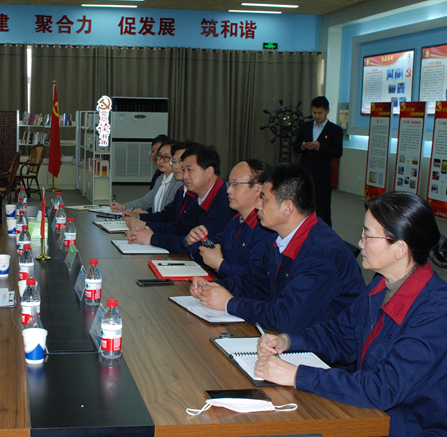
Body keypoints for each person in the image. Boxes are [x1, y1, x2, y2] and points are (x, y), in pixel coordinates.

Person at [255, 192, 447, 437]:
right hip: (370, 412)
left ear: (400, 248)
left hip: (408, 426)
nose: (360, 242)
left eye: (368, 235)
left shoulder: (436, 311)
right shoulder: (381, 284)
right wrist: (288, 341)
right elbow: (339, 335)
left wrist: (297, 375)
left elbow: (384, 388)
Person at [190, 163, 364, 332]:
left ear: (287, 208)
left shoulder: (320, 253)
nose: (258, 206)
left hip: (323, 345)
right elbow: (256, 281)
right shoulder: (279, 236)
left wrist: (229, 303)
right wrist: (213, 287)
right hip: (294, 334)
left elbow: (286, 317)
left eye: (264, 199)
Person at [127, 143, 234, 253]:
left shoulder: (225, 203)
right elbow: (181, 229)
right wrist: (147, 230)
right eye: (184, 169)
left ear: (209, 172)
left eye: (189, 170)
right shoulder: (199, 197)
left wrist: (152, 238)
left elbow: (199, 245)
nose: (185, 176)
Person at [183, 159, 275, 278]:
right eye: (229, 184)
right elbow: (210, 255)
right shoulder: (236, 221)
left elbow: (256, 281)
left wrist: (220, 265)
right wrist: (192, 241)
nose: (228, 190)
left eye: (235, 184)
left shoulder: (265, 229)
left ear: (259, 188)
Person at [293, 96, 343, 226]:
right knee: (301, 207)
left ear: (327, 111)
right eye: (314, 112)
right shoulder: (305, 126)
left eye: (320, 113)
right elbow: (295, 147)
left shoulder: (335, 130)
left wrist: (320, 147)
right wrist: (303, 145)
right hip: (304, 173)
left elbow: (338, 152)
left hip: (322, 176)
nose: (316, 116)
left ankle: (325, 235)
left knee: (323, 209)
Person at [110, 139, 182, 214]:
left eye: (166, 157)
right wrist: (124, 207)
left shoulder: (179, 184)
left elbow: (169, 215)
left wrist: (145, 215)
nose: (161, 160)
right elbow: (145, 202)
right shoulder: (160, 178)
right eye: (159, 156)